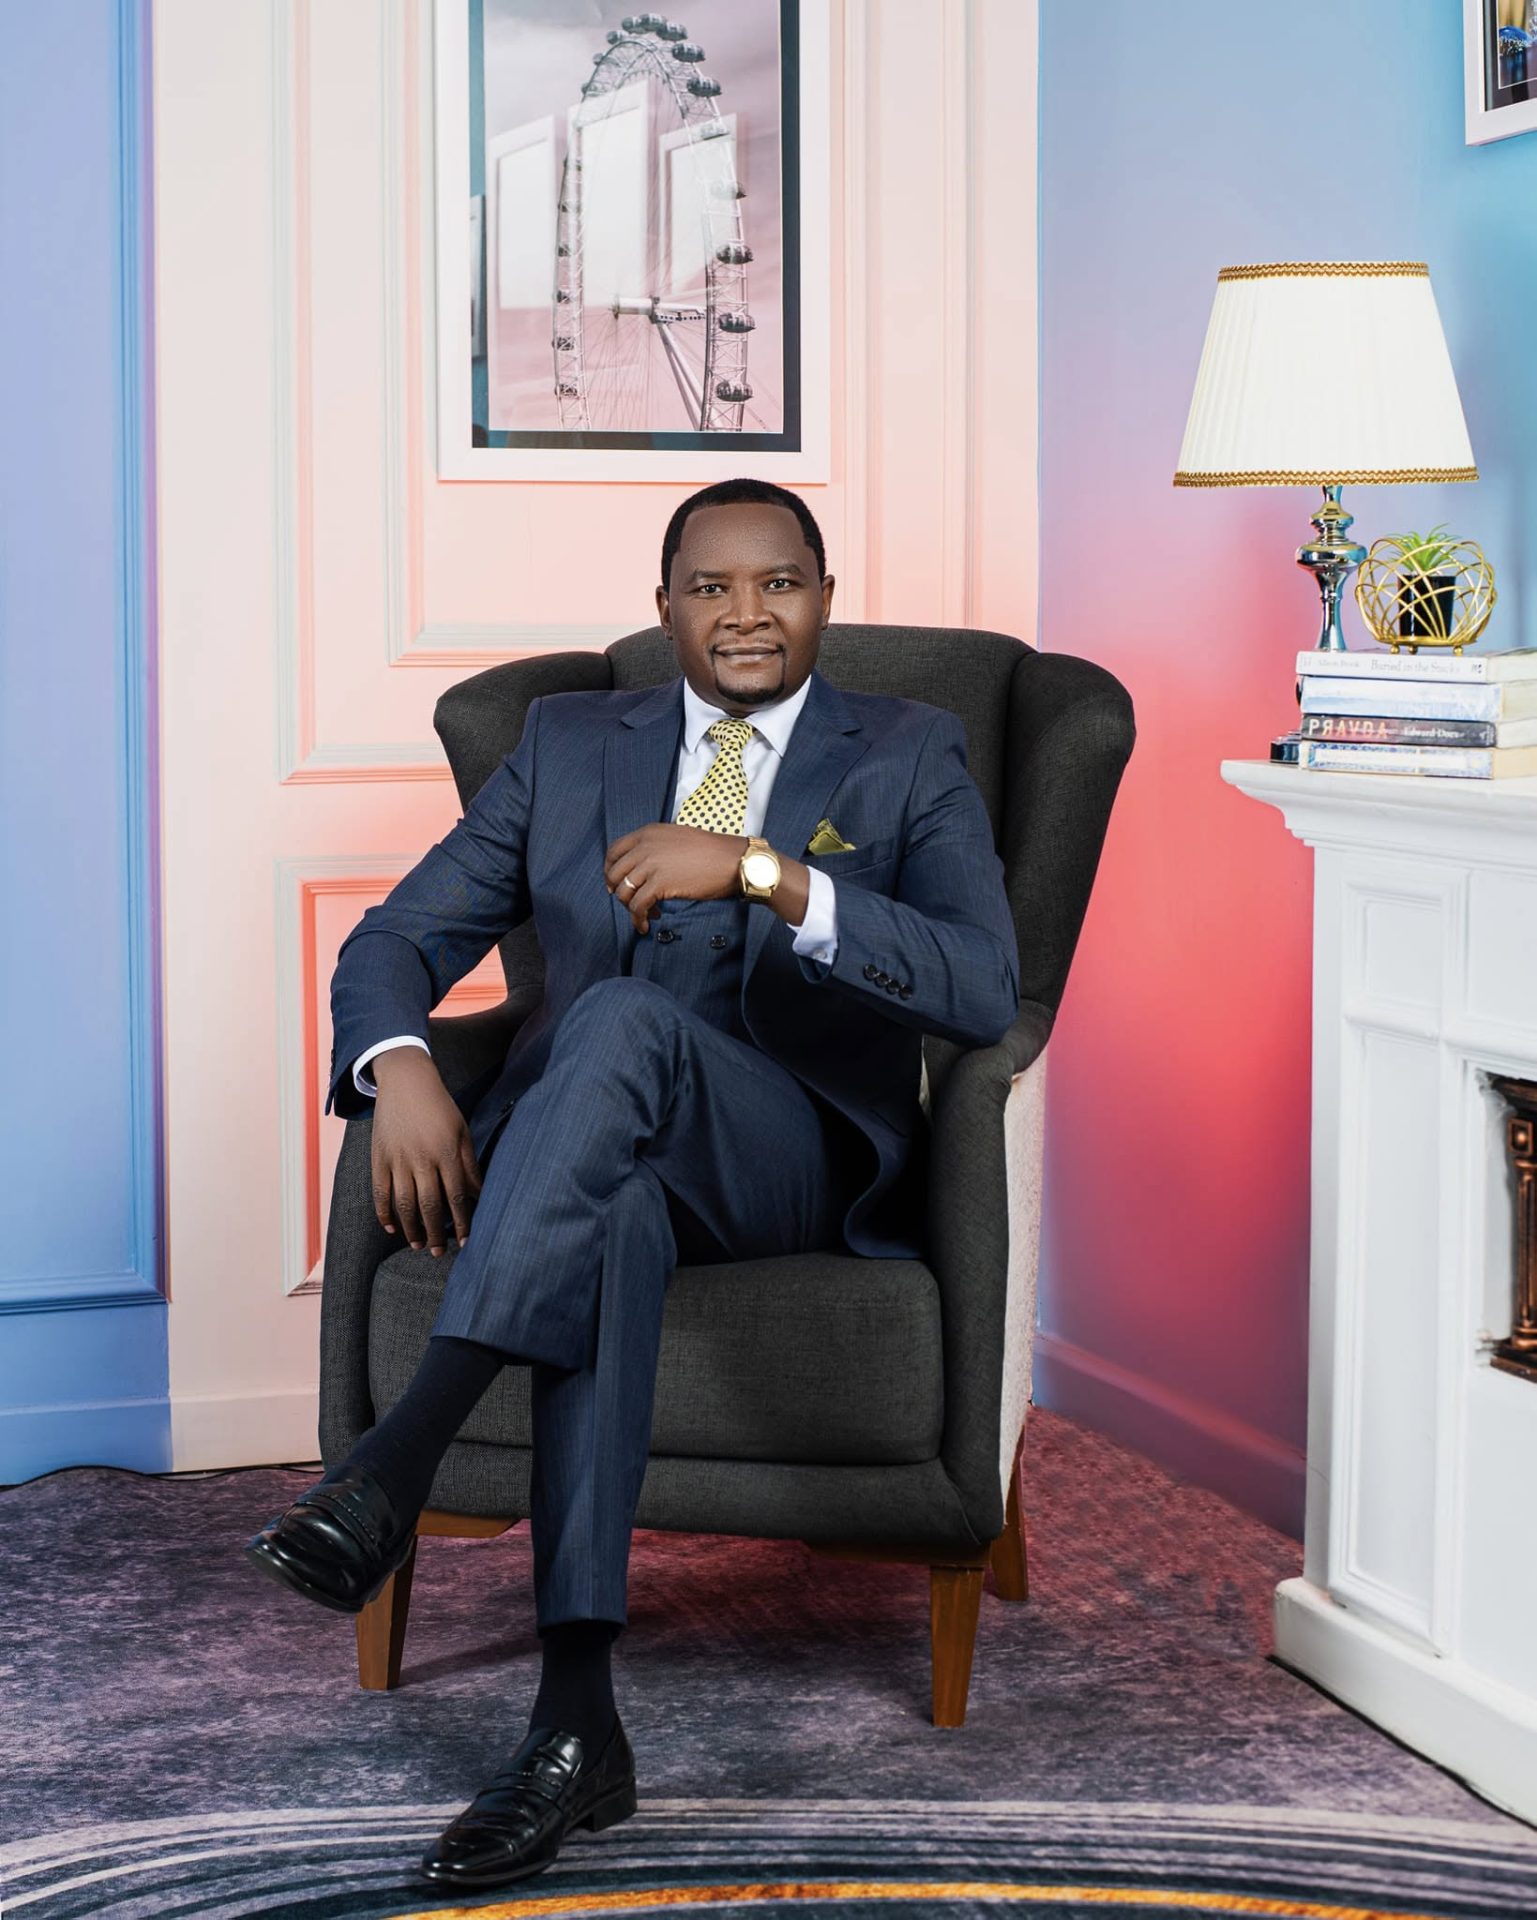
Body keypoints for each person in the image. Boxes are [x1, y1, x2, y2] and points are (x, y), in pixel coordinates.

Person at [244, 476, 1019, 1892]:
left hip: (790, 1155)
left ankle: (397, 1461)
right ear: (664, 608)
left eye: (778, 584)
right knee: (607, 1221)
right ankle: (574, 1725)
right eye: (711, 588)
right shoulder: (566, 743)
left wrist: (767, 872)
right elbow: (396, 937)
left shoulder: (909, 751)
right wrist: (401, 1068)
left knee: (612, 1021)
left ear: (825, 599)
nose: (746, 614)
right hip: (598, 1160)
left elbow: (981, 984)